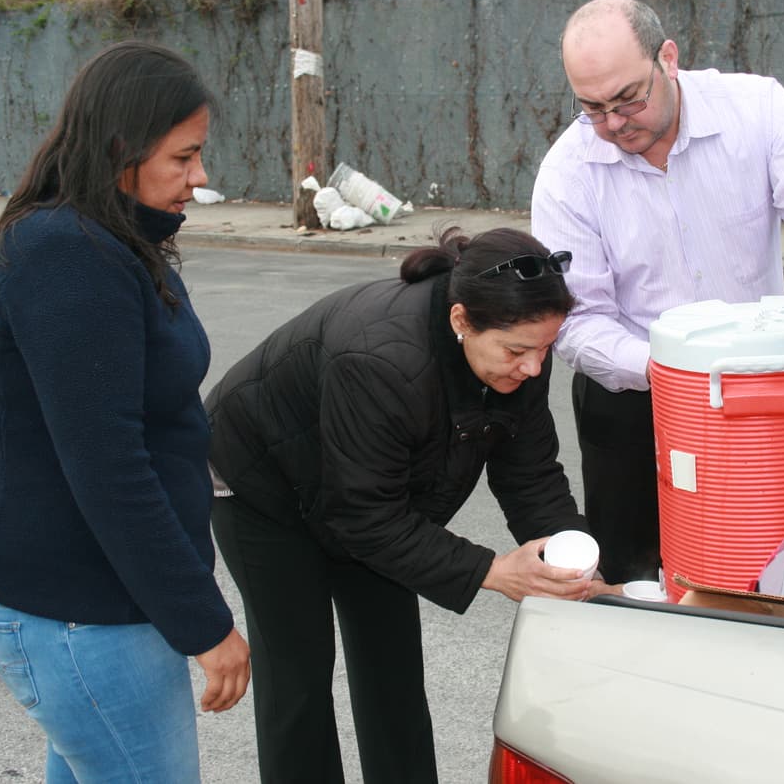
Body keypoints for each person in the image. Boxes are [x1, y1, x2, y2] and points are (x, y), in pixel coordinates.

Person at [205, 226, 607, 784]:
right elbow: (366, 516)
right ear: (461, 320)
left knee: (391, 666)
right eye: (519, 351)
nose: (534, 368)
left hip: (367, 494)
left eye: (546, 349)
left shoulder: (519, 349)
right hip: (263, 486)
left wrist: (584, 569)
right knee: (298, 674)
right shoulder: (380, 358)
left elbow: (531, 475)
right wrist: (492, 571)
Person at [0, 41, 250, 783]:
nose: (200, 176)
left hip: (101, 605)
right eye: (184, 157)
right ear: (123, 148)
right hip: (78, 615)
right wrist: (205, 623)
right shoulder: (69, 256)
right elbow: (109, 467)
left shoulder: (107, 240)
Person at [530, 0, 784, 585]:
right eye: (593, 108)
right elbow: (575, 319)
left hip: (767, 392)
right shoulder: (568, 172)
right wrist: (678, 371)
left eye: (628, 98)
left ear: (667, 59)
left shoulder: (757, 110)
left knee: (776, 563)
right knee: (637, 574)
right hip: (634, 396)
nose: (616, 123)